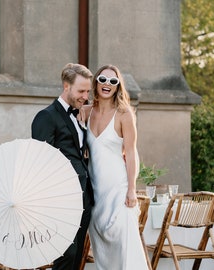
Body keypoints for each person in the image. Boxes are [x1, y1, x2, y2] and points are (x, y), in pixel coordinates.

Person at [81, 64, 148, 269]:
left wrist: (131, 190)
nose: (107, 84)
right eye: (102, 80)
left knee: (128, 250)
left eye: (113, 81)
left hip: (119, 191)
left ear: (118, 86)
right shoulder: (85, 112)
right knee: (103, 253)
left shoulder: (124, 114)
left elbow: (131, 154)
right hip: (95, 193)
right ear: (96, 83)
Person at [31, 63, 94, 270]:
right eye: (81, 91)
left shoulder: (78, 115)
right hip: (62, 199)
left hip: (83, 195)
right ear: (66, 86)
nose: (85, 96)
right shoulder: (46, 116)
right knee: (66, 255)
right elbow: (42, 161)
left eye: (87, 91)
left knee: (76, 258)